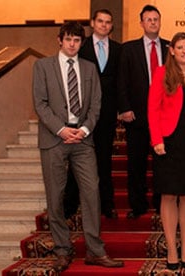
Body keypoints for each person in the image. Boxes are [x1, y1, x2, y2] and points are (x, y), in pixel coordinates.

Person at [32, 21, 124, 272]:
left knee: (91, 192)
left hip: (83, 139)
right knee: (56, 196)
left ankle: (95, 250)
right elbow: (40, 104)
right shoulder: (42, 66)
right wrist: (61, 130)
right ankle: (62, 249)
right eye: (69, 39)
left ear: (82, 43)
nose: (73, 44)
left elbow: (96, 104)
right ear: (60, 40)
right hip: (54, 139)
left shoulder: (89, 68)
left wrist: (83, 130)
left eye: (77, 40)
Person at [148, 32, 185, 271]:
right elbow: (152, 109)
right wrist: (156, 140)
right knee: (169, 195)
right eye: (179, 47)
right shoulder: (162, 73)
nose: (184, 51)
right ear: (171, 50)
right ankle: (172, 248)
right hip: (168, 142)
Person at [64, 9, 122, 219]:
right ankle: (70, 204)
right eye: (100, 21)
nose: (104, 25)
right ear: (93, 23)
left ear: (111, 25)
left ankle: (107, 204)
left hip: (106, 113)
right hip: (82, 113)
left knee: (104, 159)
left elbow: (119, 81)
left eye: (108, 22)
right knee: (76, 159)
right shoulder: (81, 46)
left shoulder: (118, 49)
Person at [117, 5, 169, 219]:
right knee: (136, 163)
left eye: (156, 19)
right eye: (148, 19)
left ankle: (160, 203)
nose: (153, 23)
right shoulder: (129, 49)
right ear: (141, 23)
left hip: (164, 116)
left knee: (162, 163)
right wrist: (124, 108)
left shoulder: (169, 47)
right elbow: (122, 81)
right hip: (136, 115)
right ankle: (137, 205)